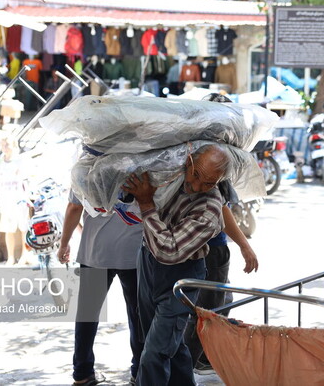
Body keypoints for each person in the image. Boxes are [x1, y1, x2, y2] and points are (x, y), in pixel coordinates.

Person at [123, 144, 229, 386]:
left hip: (182, 276)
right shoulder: (170, 175)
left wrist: (146, 203)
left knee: (154, 354)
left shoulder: (210, 210)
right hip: (149, 263)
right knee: (167, 341)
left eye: (209, 183)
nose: (197, 186)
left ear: (219, 181)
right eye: (196, 175)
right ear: (188, 162)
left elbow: (168, 250)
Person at [58, 192, 143, 386]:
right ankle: (140, 372)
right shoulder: (139, 163)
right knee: (138, 315)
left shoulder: (84, 168)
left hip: (95, 251)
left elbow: (74, 207)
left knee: (87, 314)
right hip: (133, 251)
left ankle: (82, 373)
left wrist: (64, 244)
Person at [183, 180, 259, 375]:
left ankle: (198, 358)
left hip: (183, 248)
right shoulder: (207, 165)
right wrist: (245, 245)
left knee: (214, 303)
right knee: (207, 311)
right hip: (209, 248)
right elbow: (221, 209)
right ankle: (187, 365)